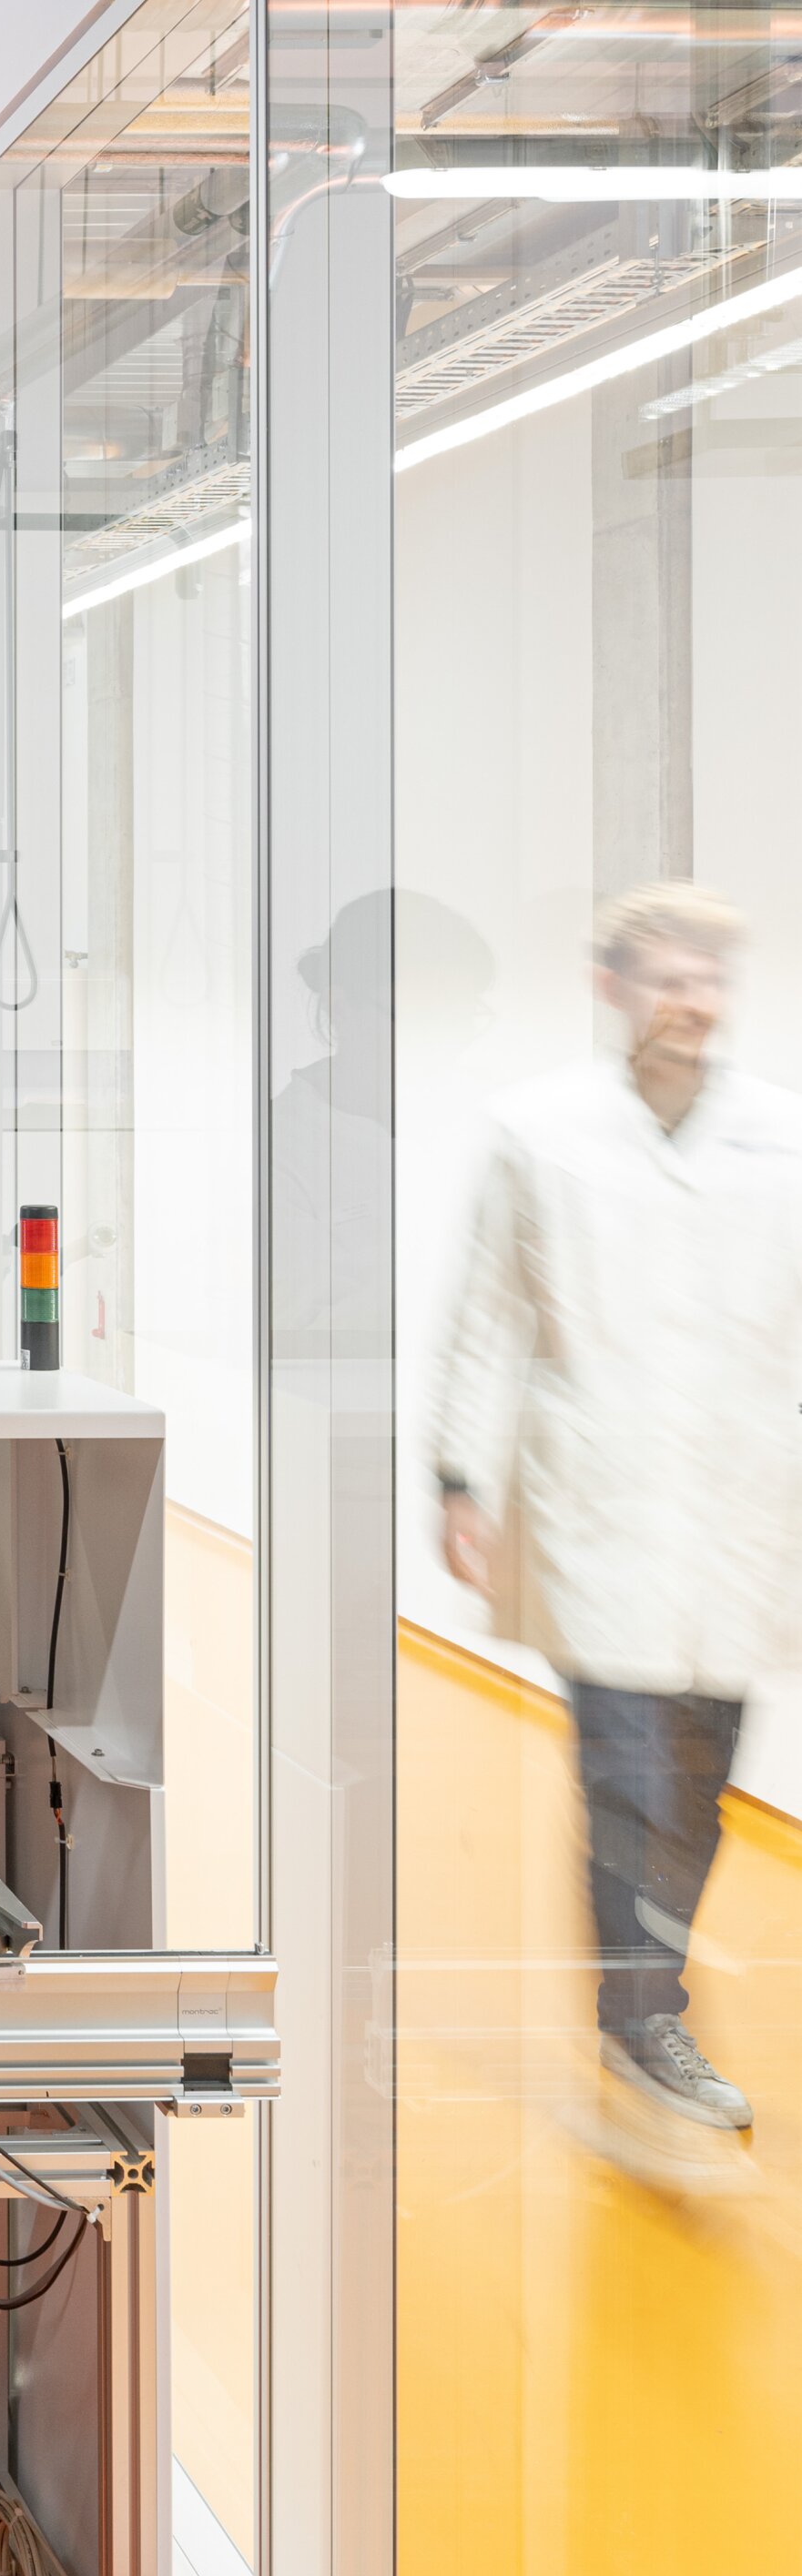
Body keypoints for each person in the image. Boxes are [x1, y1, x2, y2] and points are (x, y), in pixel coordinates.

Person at [432, 885, 802, 2140]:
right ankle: (646, 2016)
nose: (690, 1001)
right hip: (596, 1510)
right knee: (628, 1774)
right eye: (667, 977)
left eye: (709, 978)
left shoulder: (778, 1134)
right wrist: (457, 1479)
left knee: (702, 1783)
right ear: (615, 986)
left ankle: (646, 1996)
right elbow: (481, 1315)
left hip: (739, 1516)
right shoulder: (538, 1131)